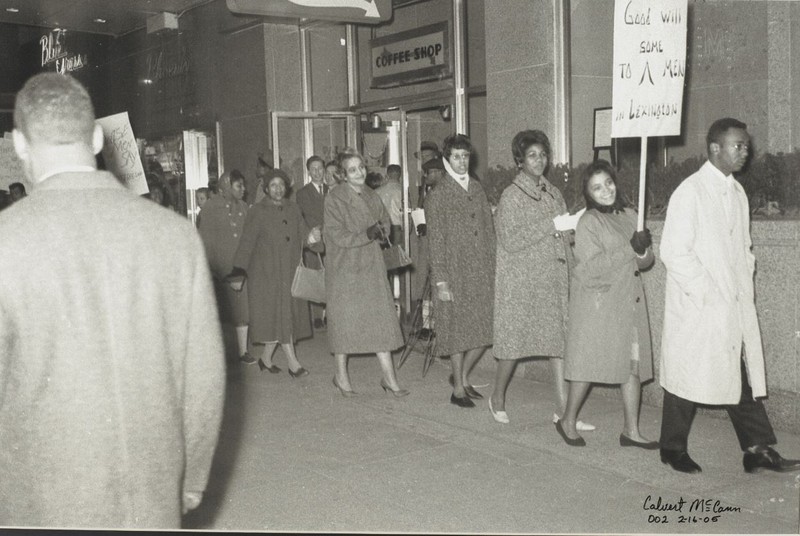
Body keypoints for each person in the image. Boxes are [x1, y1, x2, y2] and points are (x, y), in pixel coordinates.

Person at [0, 73, 224, 528]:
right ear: (98, 137)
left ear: (20, 144)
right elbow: (203, 378)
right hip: (151, 490)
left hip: (38, 499)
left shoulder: (7, 241)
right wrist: (190, 479)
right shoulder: (175, 235)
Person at [659, 118, 800, 474]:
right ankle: (672, 448)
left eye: (746, 146)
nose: (745, 151)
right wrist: (708, 293)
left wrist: (743, 275)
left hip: (731, 303)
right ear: (714, 149)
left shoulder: (737, 192)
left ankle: (757, 448)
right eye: (737, 146)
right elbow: (674, 252)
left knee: (738, 374)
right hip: (699, 306)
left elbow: (744, 246)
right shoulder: (689, 192)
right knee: (687, 376)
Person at [490, 130, 593, 429]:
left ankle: (563, 409)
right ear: (519, 160)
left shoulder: (552, 191)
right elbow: (509, 239)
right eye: (532, 155)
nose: (539, 160)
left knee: (559, 345)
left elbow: (560, 231)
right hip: (522, 283)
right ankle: (497, 398)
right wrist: (551, 225)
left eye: (543, 155)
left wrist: (570, 229)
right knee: (513, 346)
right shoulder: (512, 195)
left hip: (553, 279)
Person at [556, 160, 656, 448]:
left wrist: (643, 249)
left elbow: (646, 262)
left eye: (608, 183)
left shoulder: (630, 214)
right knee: (590, 367)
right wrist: (630, 248)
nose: (605, 190)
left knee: (632, 367)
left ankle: (631, 431)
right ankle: (567, 420)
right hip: (599, 306)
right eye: (597, 187)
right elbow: (590, 268)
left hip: (629, 303)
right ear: (588, 193)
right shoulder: (588, 222)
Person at [324, 149, 408, 398]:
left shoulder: (372, 194)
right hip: (345, 268)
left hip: (371, 265)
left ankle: (390, 379)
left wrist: (382, 231)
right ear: (342, 175)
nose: (360, 172)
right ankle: (341, 377)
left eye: (361, 167)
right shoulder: (334, 198)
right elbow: (335, 235)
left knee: (381, 322)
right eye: (353, 170)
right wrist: (366, 234)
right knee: (345, 326)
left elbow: (385, 221)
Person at [426, 134, 495, 407]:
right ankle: (457, 391)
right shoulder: (438, 196)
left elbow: (489, 231)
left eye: (465, 156)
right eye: (456, 156)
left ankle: (461, 377)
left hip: (481, 270)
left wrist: (494, 265)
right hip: (454, 273)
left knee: (485, 329)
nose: (462, 161)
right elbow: (436, 241)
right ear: (446, 160)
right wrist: (441, 281)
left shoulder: (476, 188)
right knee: (457, 331)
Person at [231, 168, 321, 377]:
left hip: (289, 272)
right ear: (266, 189)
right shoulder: (257, 211)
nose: (278, 189)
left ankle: (265, 358)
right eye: (273, 185)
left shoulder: (294, 209)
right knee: (279, 316)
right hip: (266, 274)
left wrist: (312, 238)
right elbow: (246, 242)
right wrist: (238, 273)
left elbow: (303, 235)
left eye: (281, 185)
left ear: (287, 187)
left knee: (282, 318)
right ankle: (293, 363)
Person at [198, 170, 251, 363]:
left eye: (243, 186)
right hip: (219, 269)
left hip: (240, 268)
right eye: (239, 186)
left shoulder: (244, 207)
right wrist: (214, 270)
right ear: (227, 186)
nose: (244, 190)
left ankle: (242, 351)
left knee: (242, 311)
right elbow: (206, 240)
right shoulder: (211, 208)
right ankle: (221, 354)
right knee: (221, 313)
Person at [296, 155, 329, 330]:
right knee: (315, 277)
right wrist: (313, 234)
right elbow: (303, 217)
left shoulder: (331, 189)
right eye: (313, 169)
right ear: (309, 172)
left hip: (331, 240)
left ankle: (330, 313)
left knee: (331, 276)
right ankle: (317, 316)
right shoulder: (302, 193)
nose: (317, 172)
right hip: (313, 241)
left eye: (320, 169)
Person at [375, 163, 403, 246]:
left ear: (387, 175)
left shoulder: (377, 191)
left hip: (382, 228)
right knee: (397, 255)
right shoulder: (402, 191)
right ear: (400, 176)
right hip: (397, 228)